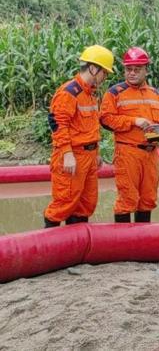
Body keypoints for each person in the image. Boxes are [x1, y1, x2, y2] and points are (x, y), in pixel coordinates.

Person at [44, 45, 114, 228]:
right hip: (72, 156)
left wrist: (96, 152)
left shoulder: (90, 94)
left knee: (86, 204)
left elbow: (90, 127)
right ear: (93, 68)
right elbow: (59, 125)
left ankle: (76, 249)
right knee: (64, 203)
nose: (105, 77)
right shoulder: (69, 93)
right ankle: (49, 248)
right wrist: (67, 154)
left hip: (89, 157)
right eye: (104, 72)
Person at [100, 47, 159, 223]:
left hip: (151, 154)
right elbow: (106, 119)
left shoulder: (154, 93)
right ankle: (122, 245)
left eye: (137, 70)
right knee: (127, 199)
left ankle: (143, 244)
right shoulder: (115, 93)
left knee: (148, 199)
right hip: (128, 153)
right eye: (128, 69)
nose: (131, 73)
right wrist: (133, 121)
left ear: (146, 70)